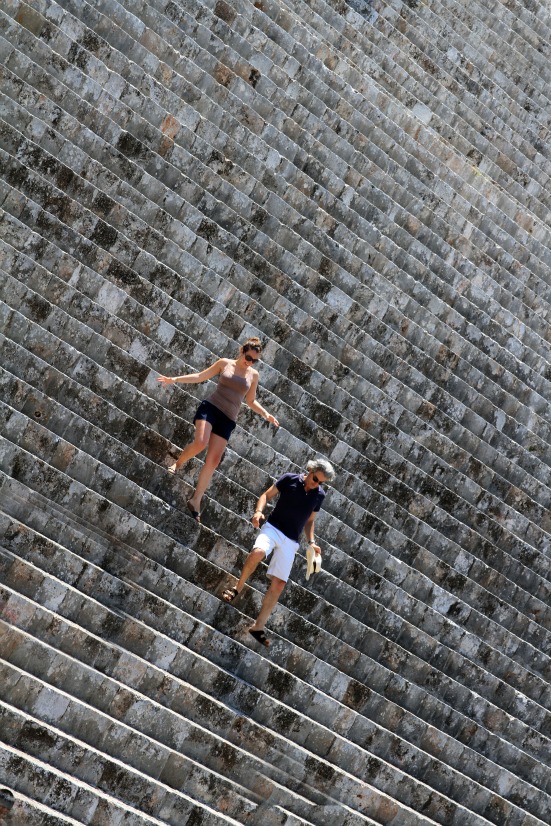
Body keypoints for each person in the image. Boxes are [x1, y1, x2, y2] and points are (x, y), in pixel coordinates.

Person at [157, 337, 279, 522]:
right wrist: (175, 379)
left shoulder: (253, 375)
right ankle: (178, 463)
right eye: (248, 357)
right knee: (200, 442)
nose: (250, 362)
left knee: (213, 460)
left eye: (254, 360)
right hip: (211, 408)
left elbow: (250, 400)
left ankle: (196, 500)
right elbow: (200, 376)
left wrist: (265, 414)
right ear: (241, 351)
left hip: (228, 418)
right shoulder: (225, 363)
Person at [223, 458, 335, 646]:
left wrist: (312, 542)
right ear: (310, 471)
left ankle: (258, 626)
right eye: (315, 479)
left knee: (280, 584)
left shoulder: (319, 496)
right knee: (258, 552)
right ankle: (238, 587)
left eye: (321, 482)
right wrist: (259, 512)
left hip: (291, 539)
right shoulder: (290, 479)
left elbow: (309, 521)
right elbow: (266, 495)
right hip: (273, 528)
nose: (317, 484)